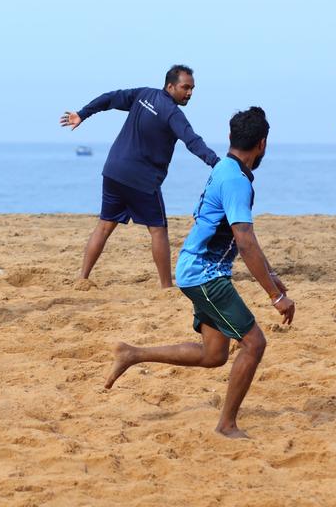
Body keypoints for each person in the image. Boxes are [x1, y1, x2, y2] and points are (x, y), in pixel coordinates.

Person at [104, 106, 295, 439]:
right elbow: (245, 241)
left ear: (232, 138)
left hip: (198, 269)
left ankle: (132, 353)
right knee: (254, 344)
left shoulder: (225, 167)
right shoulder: (236, 180)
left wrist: (271, 273)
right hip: (205, 273)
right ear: (262, 144)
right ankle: (226, 425)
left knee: (214, 354)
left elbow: (246, 238)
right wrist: (276, 296)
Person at [60, 64, 220, 288]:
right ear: (170, 85)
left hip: (113, 171)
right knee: (158, 230)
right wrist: (217, 164)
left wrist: (82, 114)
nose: (190, 93)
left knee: (105, 225)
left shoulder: (144, 95)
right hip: (141, 181)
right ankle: (166, 287)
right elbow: (192, 141)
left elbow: (110, 98)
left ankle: (82, 279)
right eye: (185, 88)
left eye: (193, 88)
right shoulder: (172, 113)